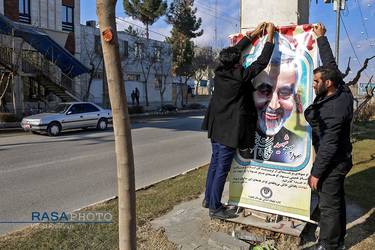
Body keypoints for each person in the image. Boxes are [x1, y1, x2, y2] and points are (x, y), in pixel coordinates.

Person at [201, 22, 275, 220]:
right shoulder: (240, 76)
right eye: (241, 59)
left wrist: (252, 35)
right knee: (221, 170)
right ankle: (215, 208)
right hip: (227, 132)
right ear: (237, 64)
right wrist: (269, 37)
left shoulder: (220, 71)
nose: (243, 59)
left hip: (215, 129)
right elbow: (261, 62)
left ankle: (209, 199)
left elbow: (232, 52)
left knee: (215, 164)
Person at [304, 23, 353, 250]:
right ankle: (337, 241)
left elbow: (328, 146)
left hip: (333, 162)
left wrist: (316, 173)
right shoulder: (339, 87)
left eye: (316, 82)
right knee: (337, 202)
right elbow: (330, 64)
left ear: (327, 83)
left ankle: (329, 246)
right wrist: (321, 38)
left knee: (329, 205)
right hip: (341, 158)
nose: (313, 85)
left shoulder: (333, 111)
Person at [238, 33, 305, 163]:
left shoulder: (299, 145)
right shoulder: (238, 136)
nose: (274, 106)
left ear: (295, 97)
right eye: (264, 91)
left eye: (285, 93)